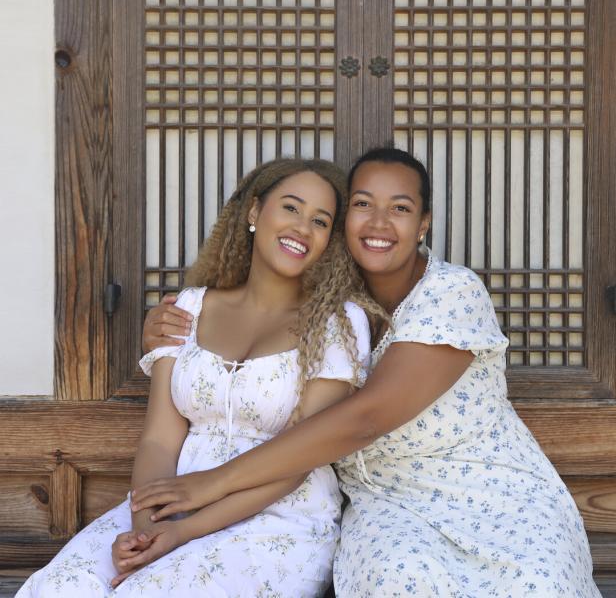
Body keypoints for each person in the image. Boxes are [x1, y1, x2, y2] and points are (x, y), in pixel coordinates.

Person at [137, 148, 600, 597]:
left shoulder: (450, 292)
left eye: (399, 208)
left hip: (490, 493)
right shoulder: (331, 302)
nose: (378, 223)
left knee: (538, 585)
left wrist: (212, 483)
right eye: (362, 205)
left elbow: (366, 419)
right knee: (397, 580)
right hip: (386, 502)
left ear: (424, 224)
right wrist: (167, 335)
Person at [17, 159, 384, 597]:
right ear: (254, 212)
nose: (303, 227)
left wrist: (182, 534)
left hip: (279, 513)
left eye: (320, 221)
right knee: (60, 587)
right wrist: (145, 527)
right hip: (166, 500)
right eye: (290, 208)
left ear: (330, 241)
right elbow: (158, 440)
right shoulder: (189, 309)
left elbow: (300, 459)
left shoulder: (338, 324)